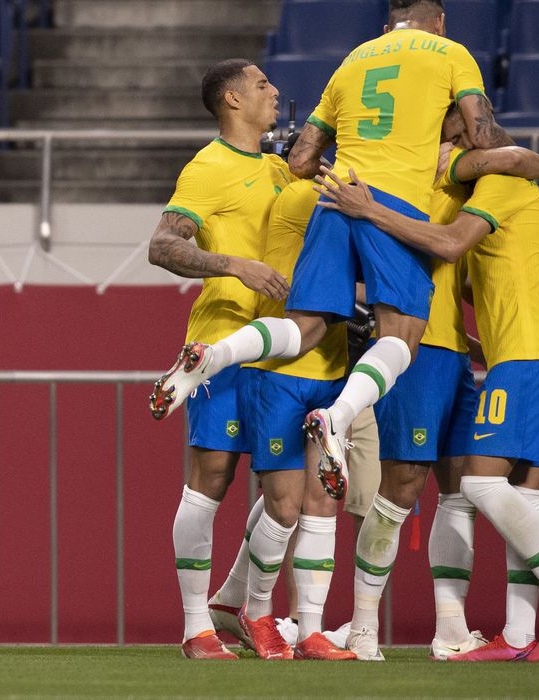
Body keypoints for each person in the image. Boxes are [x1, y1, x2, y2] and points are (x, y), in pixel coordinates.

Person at [148, 0, 513, 500]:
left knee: (306, 328)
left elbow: (299, 159)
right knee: (402, 337)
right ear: (440, 22)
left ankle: (211, 357)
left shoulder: (354, 58)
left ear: (389, 24)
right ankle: (336, 418)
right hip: (387, 202)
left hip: (335, 196)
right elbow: (484, 133)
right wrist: (519, 162)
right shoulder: (450, 53)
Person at [315, 139, 539, 663]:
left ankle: (453, 628)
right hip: (421, 353)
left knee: (463, 489)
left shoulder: (468, 188)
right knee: (402, 490)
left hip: (472, 357)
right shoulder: (389, 177)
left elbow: (502, 173)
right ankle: (362, 626)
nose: (458, 141)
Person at [146, 58, 291, 660]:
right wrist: (235, 264)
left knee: (287, 491)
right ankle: (194, 628)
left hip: (288, 346)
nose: (275, 91)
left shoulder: (283, 168)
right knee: (212, 482)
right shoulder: (208, 167)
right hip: (224, 340)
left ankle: (249, 608)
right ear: (232, 100)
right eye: (261, 85)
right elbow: (162, 244)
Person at [201, 179, 356, 661]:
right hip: (278, 374)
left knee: (324, 503)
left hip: (330, 368)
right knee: (285, 507)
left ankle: (310, 629)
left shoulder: (351, 197)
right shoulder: (307, 196)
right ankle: (258, 611)